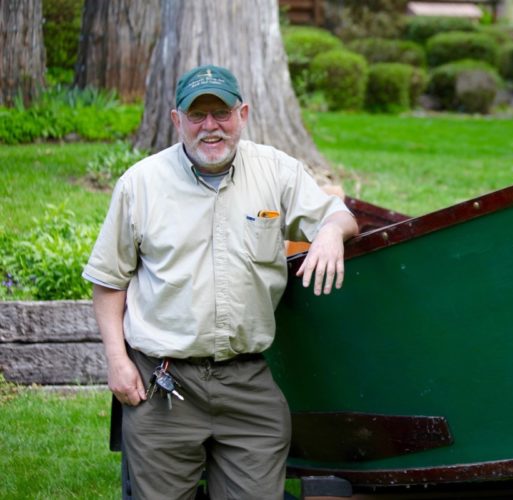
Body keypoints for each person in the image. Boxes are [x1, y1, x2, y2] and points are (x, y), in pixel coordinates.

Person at [83, 64, 359, 499]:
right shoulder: (141, 184)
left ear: (242, 114)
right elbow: (108, 280)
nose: (210, 127)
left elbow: (338, 214)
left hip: (246, 384)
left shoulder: (277, 172)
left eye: (221, 113)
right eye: (197, 115)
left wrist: (329, 232)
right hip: (163, 383)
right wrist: (117, 361)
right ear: (177, 120)